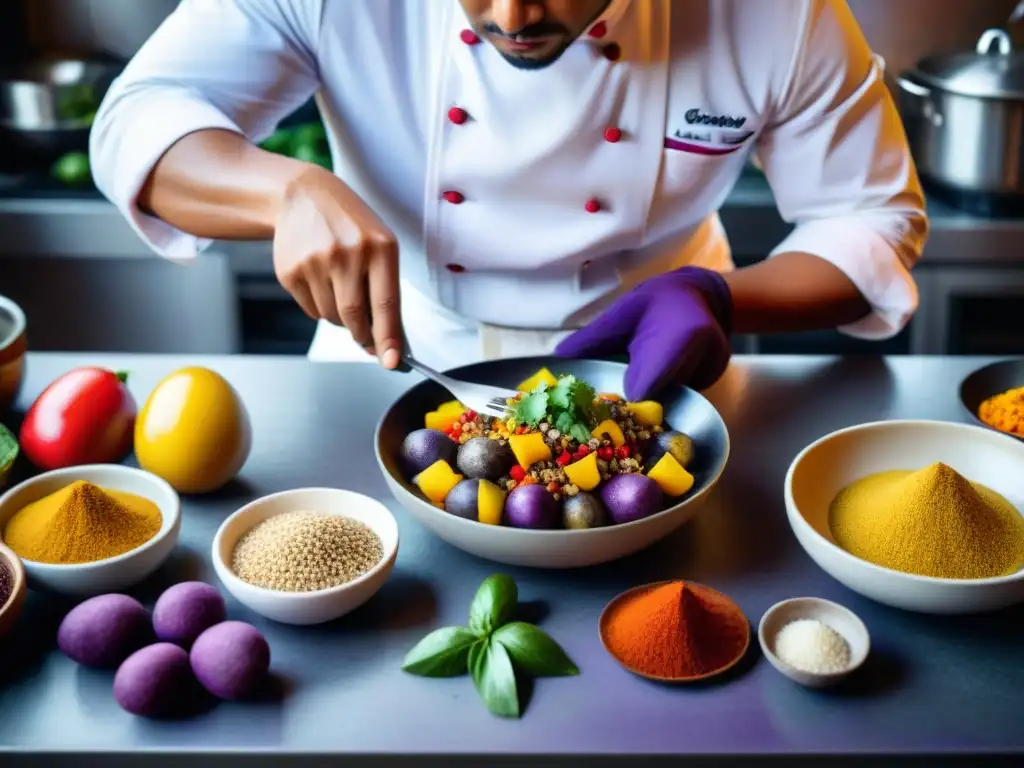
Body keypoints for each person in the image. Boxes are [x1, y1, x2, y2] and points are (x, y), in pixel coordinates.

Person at [90, 0, 928, 400]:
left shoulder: (779, 13)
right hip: (394, 361)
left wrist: (717, 298)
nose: (513, 14)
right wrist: (286, 189)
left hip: (666, 369)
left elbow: (873, 221)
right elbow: (139, 119)